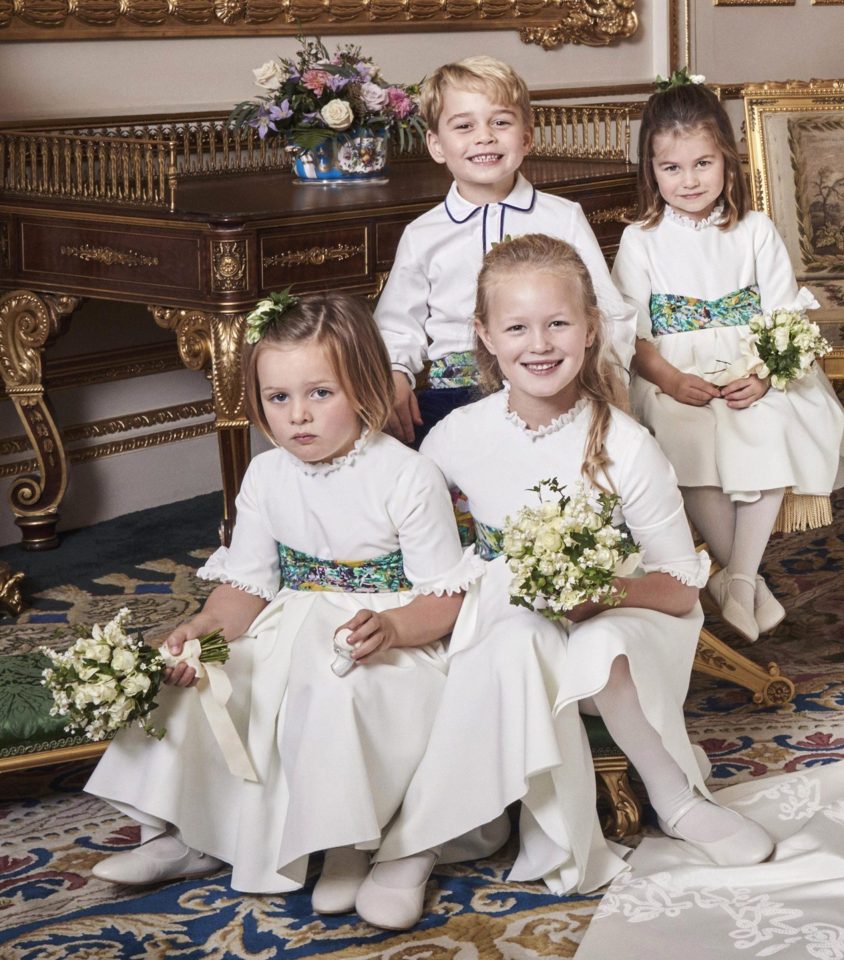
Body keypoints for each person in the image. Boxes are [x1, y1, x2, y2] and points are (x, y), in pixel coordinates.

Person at [356, 234, 773, 931]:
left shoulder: (627, 446)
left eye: (557, 323)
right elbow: (416, 554)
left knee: (596, 643)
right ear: (485, 337)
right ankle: (416, 843)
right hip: (506, 629)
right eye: (517, 327)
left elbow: (678, 582)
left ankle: (679, 798)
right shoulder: (455, 436)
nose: (539, 343)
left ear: (589, 330)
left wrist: (602, 594)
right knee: (516, 630)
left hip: (620, 621)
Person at [85, 291, 484, 919]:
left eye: (319, 393)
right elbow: (246, 585)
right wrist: (201, 627)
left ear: (364, 388)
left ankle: (347, 842)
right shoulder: (266, 476)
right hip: (287, 623)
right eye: (279, 399)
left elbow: (446, 598)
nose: (298, 416)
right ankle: (182, 834)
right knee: (203, 675)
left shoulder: (406, 476)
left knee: (333, 689)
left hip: (380, 639)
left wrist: (393, 626)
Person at [611, 77, 844, 642]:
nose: (689, 181)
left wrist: (765, 376)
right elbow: (628, 334)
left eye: (702, 164)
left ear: (727, 162)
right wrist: (668, 376)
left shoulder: (755, 231)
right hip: (675, 375)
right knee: (681, 434)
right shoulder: (641, 240)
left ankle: (736, 578)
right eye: (672, 169)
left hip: (750, 367)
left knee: (768, 425)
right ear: (651, 170)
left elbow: (788, 315)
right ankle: (745, 582)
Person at [374, 55, 636, 446]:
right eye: (464, 126)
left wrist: (602, 382)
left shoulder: (563, 218)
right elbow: (396, 325)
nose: (484, 137)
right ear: (436, 145)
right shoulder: (422, 234)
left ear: (526, 137)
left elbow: (609, 312)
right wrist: (395, 373)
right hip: (454, 395)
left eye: (500, 122)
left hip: (551, 382)